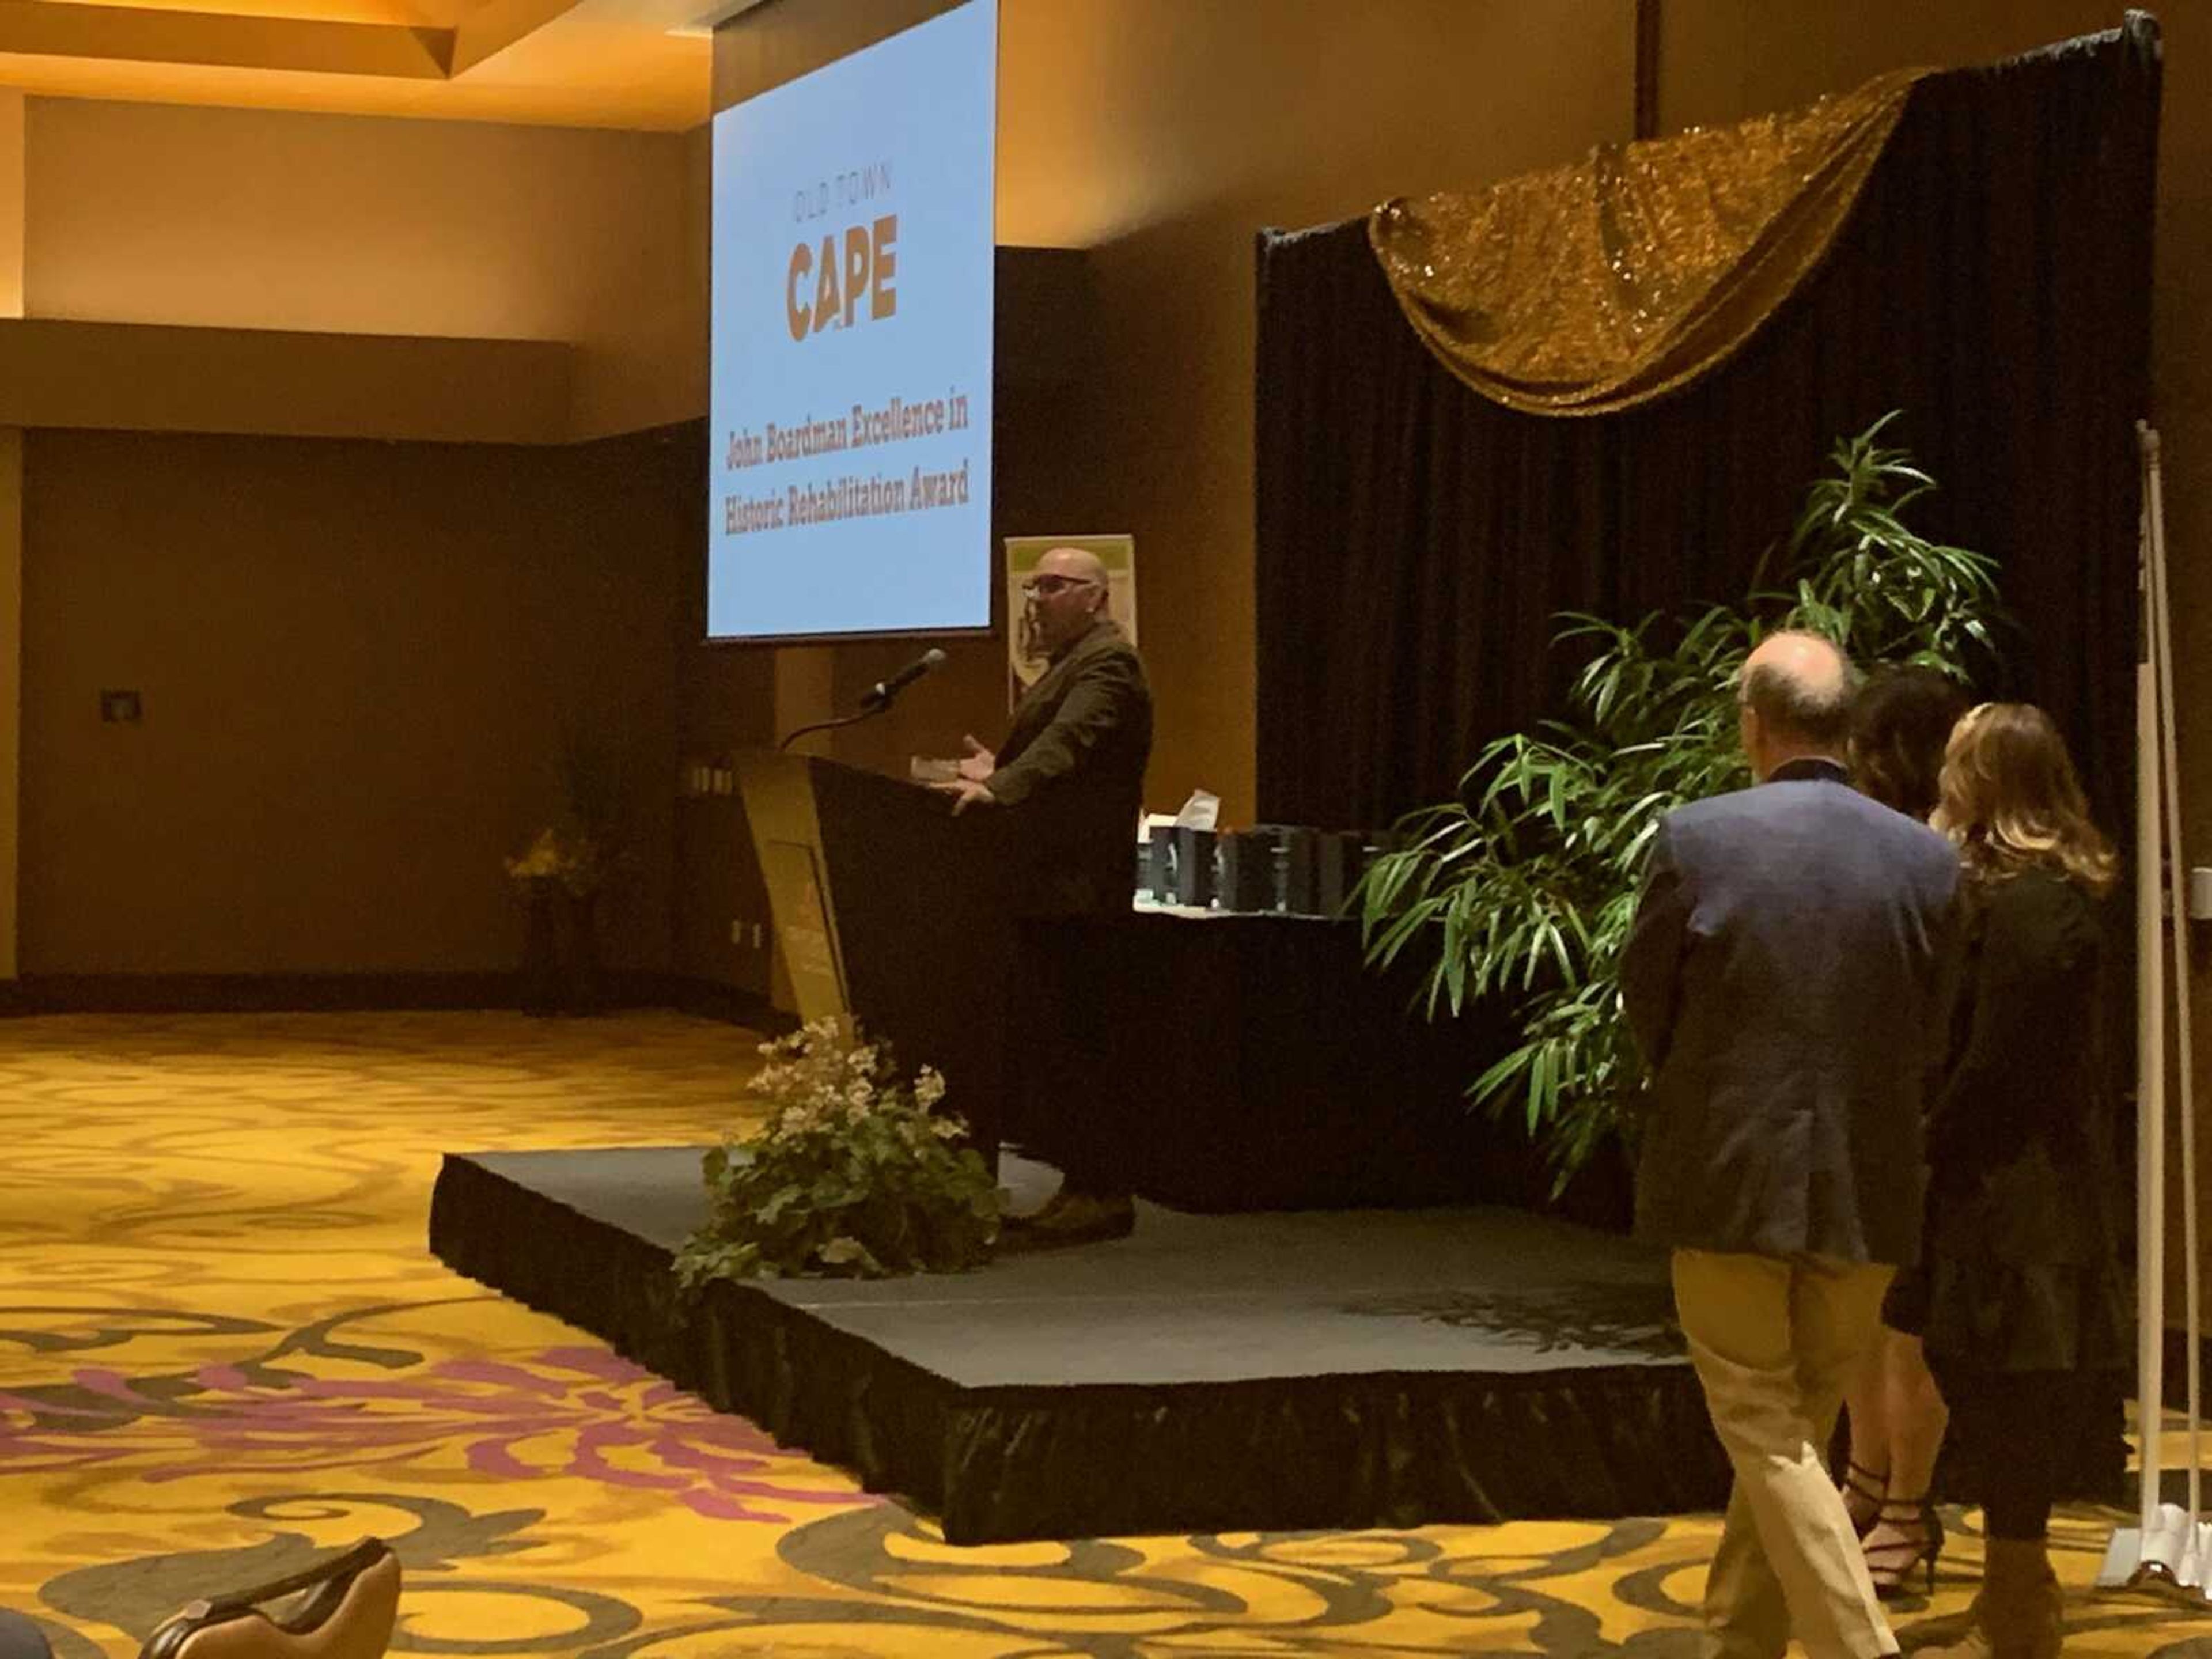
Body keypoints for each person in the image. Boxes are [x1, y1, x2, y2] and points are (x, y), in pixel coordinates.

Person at [1623, 630, 1960, 1659]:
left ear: (1752, 726)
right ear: (1846, 728)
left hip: (1728, 1176)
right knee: (1794, 1441)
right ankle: (1743, 1642)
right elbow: (1935, 1029)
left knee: (1767, 1434)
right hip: (1869, 1185)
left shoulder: (1697, 837)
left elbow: (1649, 1006)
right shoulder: (1928, 858)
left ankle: (1863, 1647)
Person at [1911, 704, 2127, 1659]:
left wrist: (1927, 1137)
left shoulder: (2039, 906)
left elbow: (2001, 1064)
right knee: (1980, 1379)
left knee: (2010, 1392)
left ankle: (2018, 1603)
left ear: (1988, 785)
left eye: (1959, 769)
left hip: (2020, 1194)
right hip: (2006, 1183)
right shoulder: (2021, 895)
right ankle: (2015, 1588)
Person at [933, 545, 1152, 1246]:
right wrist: (998, 767)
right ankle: (1084, 1186)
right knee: (1059, 1046)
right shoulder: (1068, 666)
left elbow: (1069, 744)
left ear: (1096, 596)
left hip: (1080, 890)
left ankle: (1101, 1191)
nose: (1037, 598)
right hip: (1049, 886)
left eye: (1054, 586)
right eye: (1034, 586)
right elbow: (1057, 762)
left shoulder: (1109, 664)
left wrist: (999, 786)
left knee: (1080, 1043)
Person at [1837, 665, 1974, 1593]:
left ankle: (1907, 1508)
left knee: (1906, 1325)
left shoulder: (1952, 853)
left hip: (1928, 1111)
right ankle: (1864, 1479)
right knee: (1859, 1312)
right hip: (1863, 1103)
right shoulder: (1874, 840)